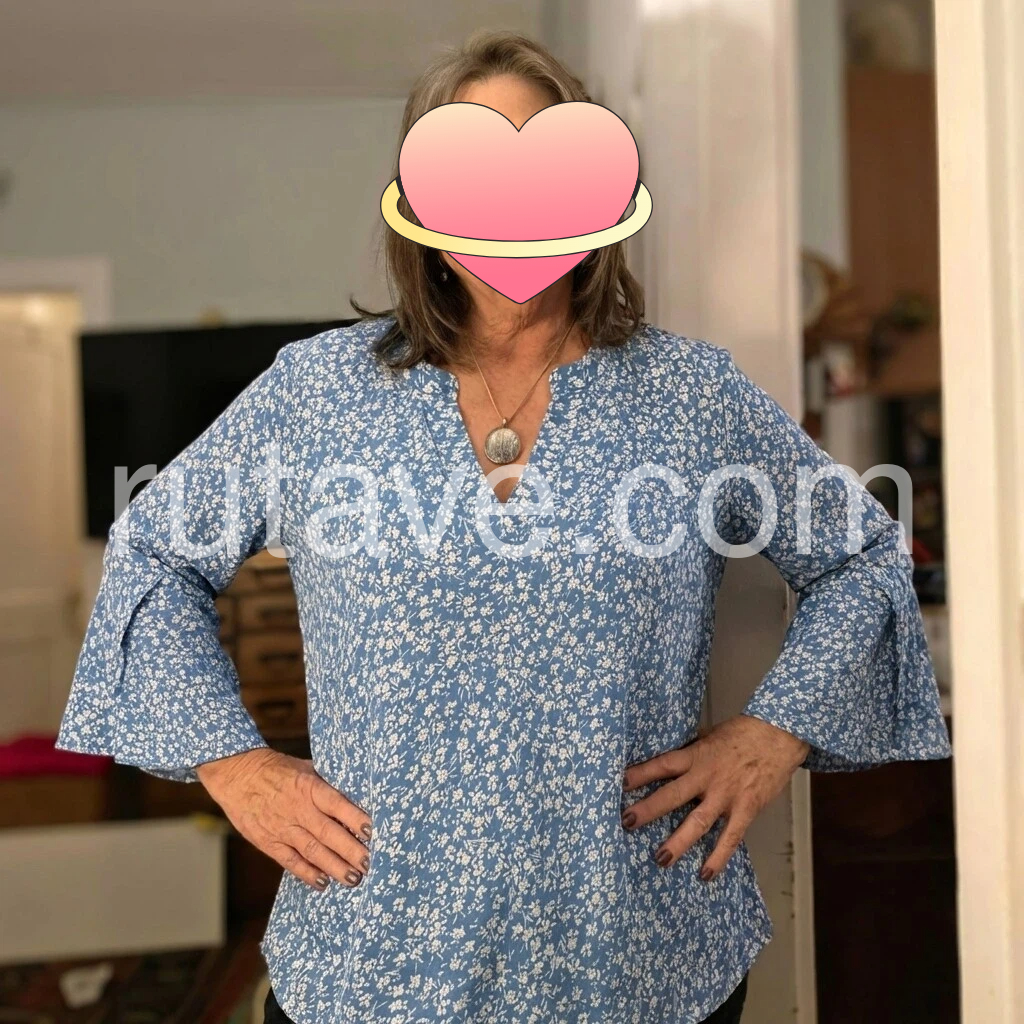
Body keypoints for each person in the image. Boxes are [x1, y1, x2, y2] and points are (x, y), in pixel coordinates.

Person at [55, 29, 952, 1024]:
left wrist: (772, 732)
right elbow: (154, 553)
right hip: (375, 962)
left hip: (638, 956)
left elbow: (864, 555)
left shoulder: (691, 396)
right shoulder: (315, 394)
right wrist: (234, 764)